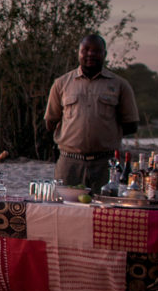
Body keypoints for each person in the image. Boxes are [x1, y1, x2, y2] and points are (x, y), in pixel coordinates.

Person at [45, 33, 139, 192]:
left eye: (96, 51)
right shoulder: (61, 84)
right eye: (86, 50)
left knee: (106, 210)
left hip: (106, 163)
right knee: (65, 211)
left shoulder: (120, 85)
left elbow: (131, 125)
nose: (90, 54)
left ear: (104, 54)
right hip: (69, 163)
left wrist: (103, 136)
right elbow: (50, 122)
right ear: (79, 52)